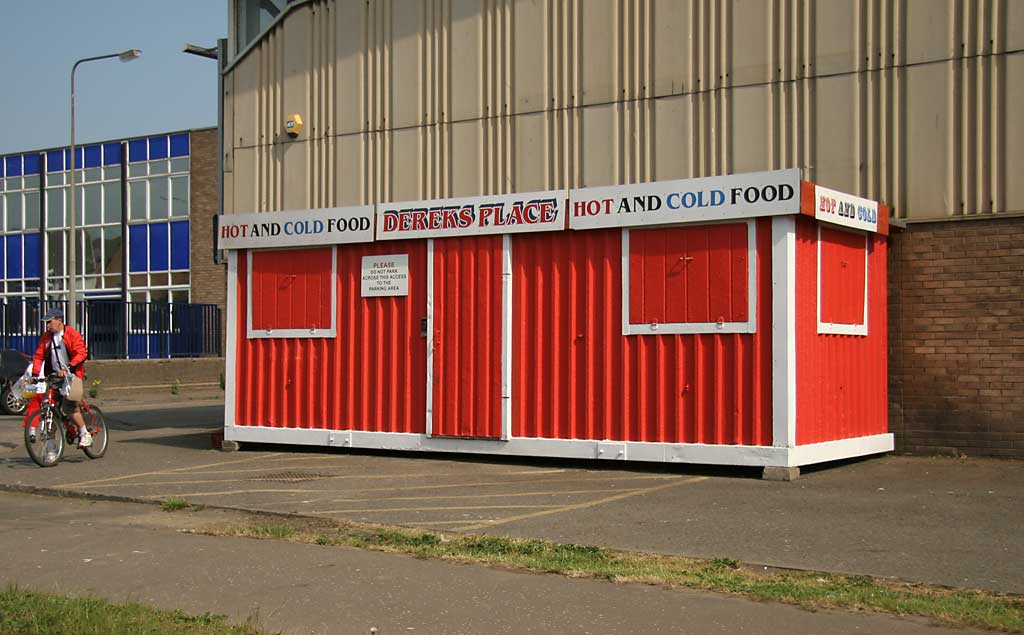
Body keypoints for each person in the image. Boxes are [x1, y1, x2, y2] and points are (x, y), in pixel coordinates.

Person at [24, 308, 91, 447]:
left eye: (50, 321)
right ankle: (51, 448)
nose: (48, 325)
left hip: (72, 375)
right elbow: (39, 356)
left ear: (59, 320)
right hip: (54, 376)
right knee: (49, 409)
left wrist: (69, 368)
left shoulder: (72, 334)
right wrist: (35, 375)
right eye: (47, 322)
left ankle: (85, 433)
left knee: (70, 406)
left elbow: (82, 353)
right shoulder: (46, 337)